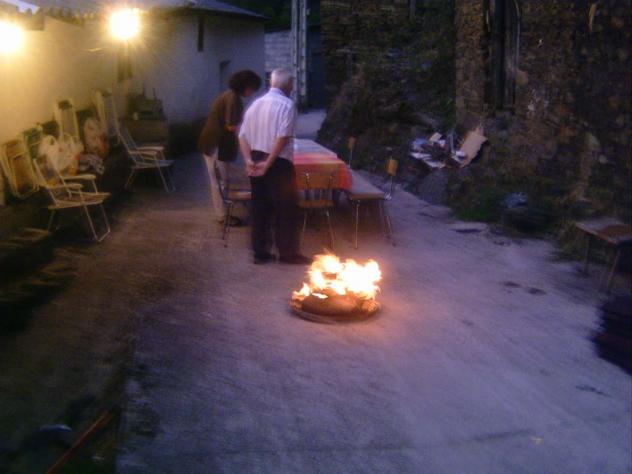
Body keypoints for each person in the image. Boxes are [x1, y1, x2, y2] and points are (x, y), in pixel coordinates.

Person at [238, 68, 311, 265]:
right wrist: (268, 164)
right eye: (292, 84)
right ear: (288, 85)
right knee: (286, 207)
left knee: (259, 206)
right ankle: (287, 253)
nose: (293, 88)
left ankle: (260, 252)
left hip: (256, 157)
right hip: (278, 162)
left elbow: (242, 136)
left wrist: (248, 160)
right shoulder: (287, 105)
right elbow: (282, 137)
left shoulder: (255, 104)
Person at [198, 70, 262, 226]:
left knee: (221, 180)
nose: (252, 93)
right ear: (245, 86)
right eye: (252, 89)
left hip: (214, 143)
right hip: (216, 144)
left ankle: (223, 214)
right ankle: (222, 216)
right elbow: (232, 126)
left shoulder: (230, 95)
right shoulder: (233, 98)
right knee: (220, 181)